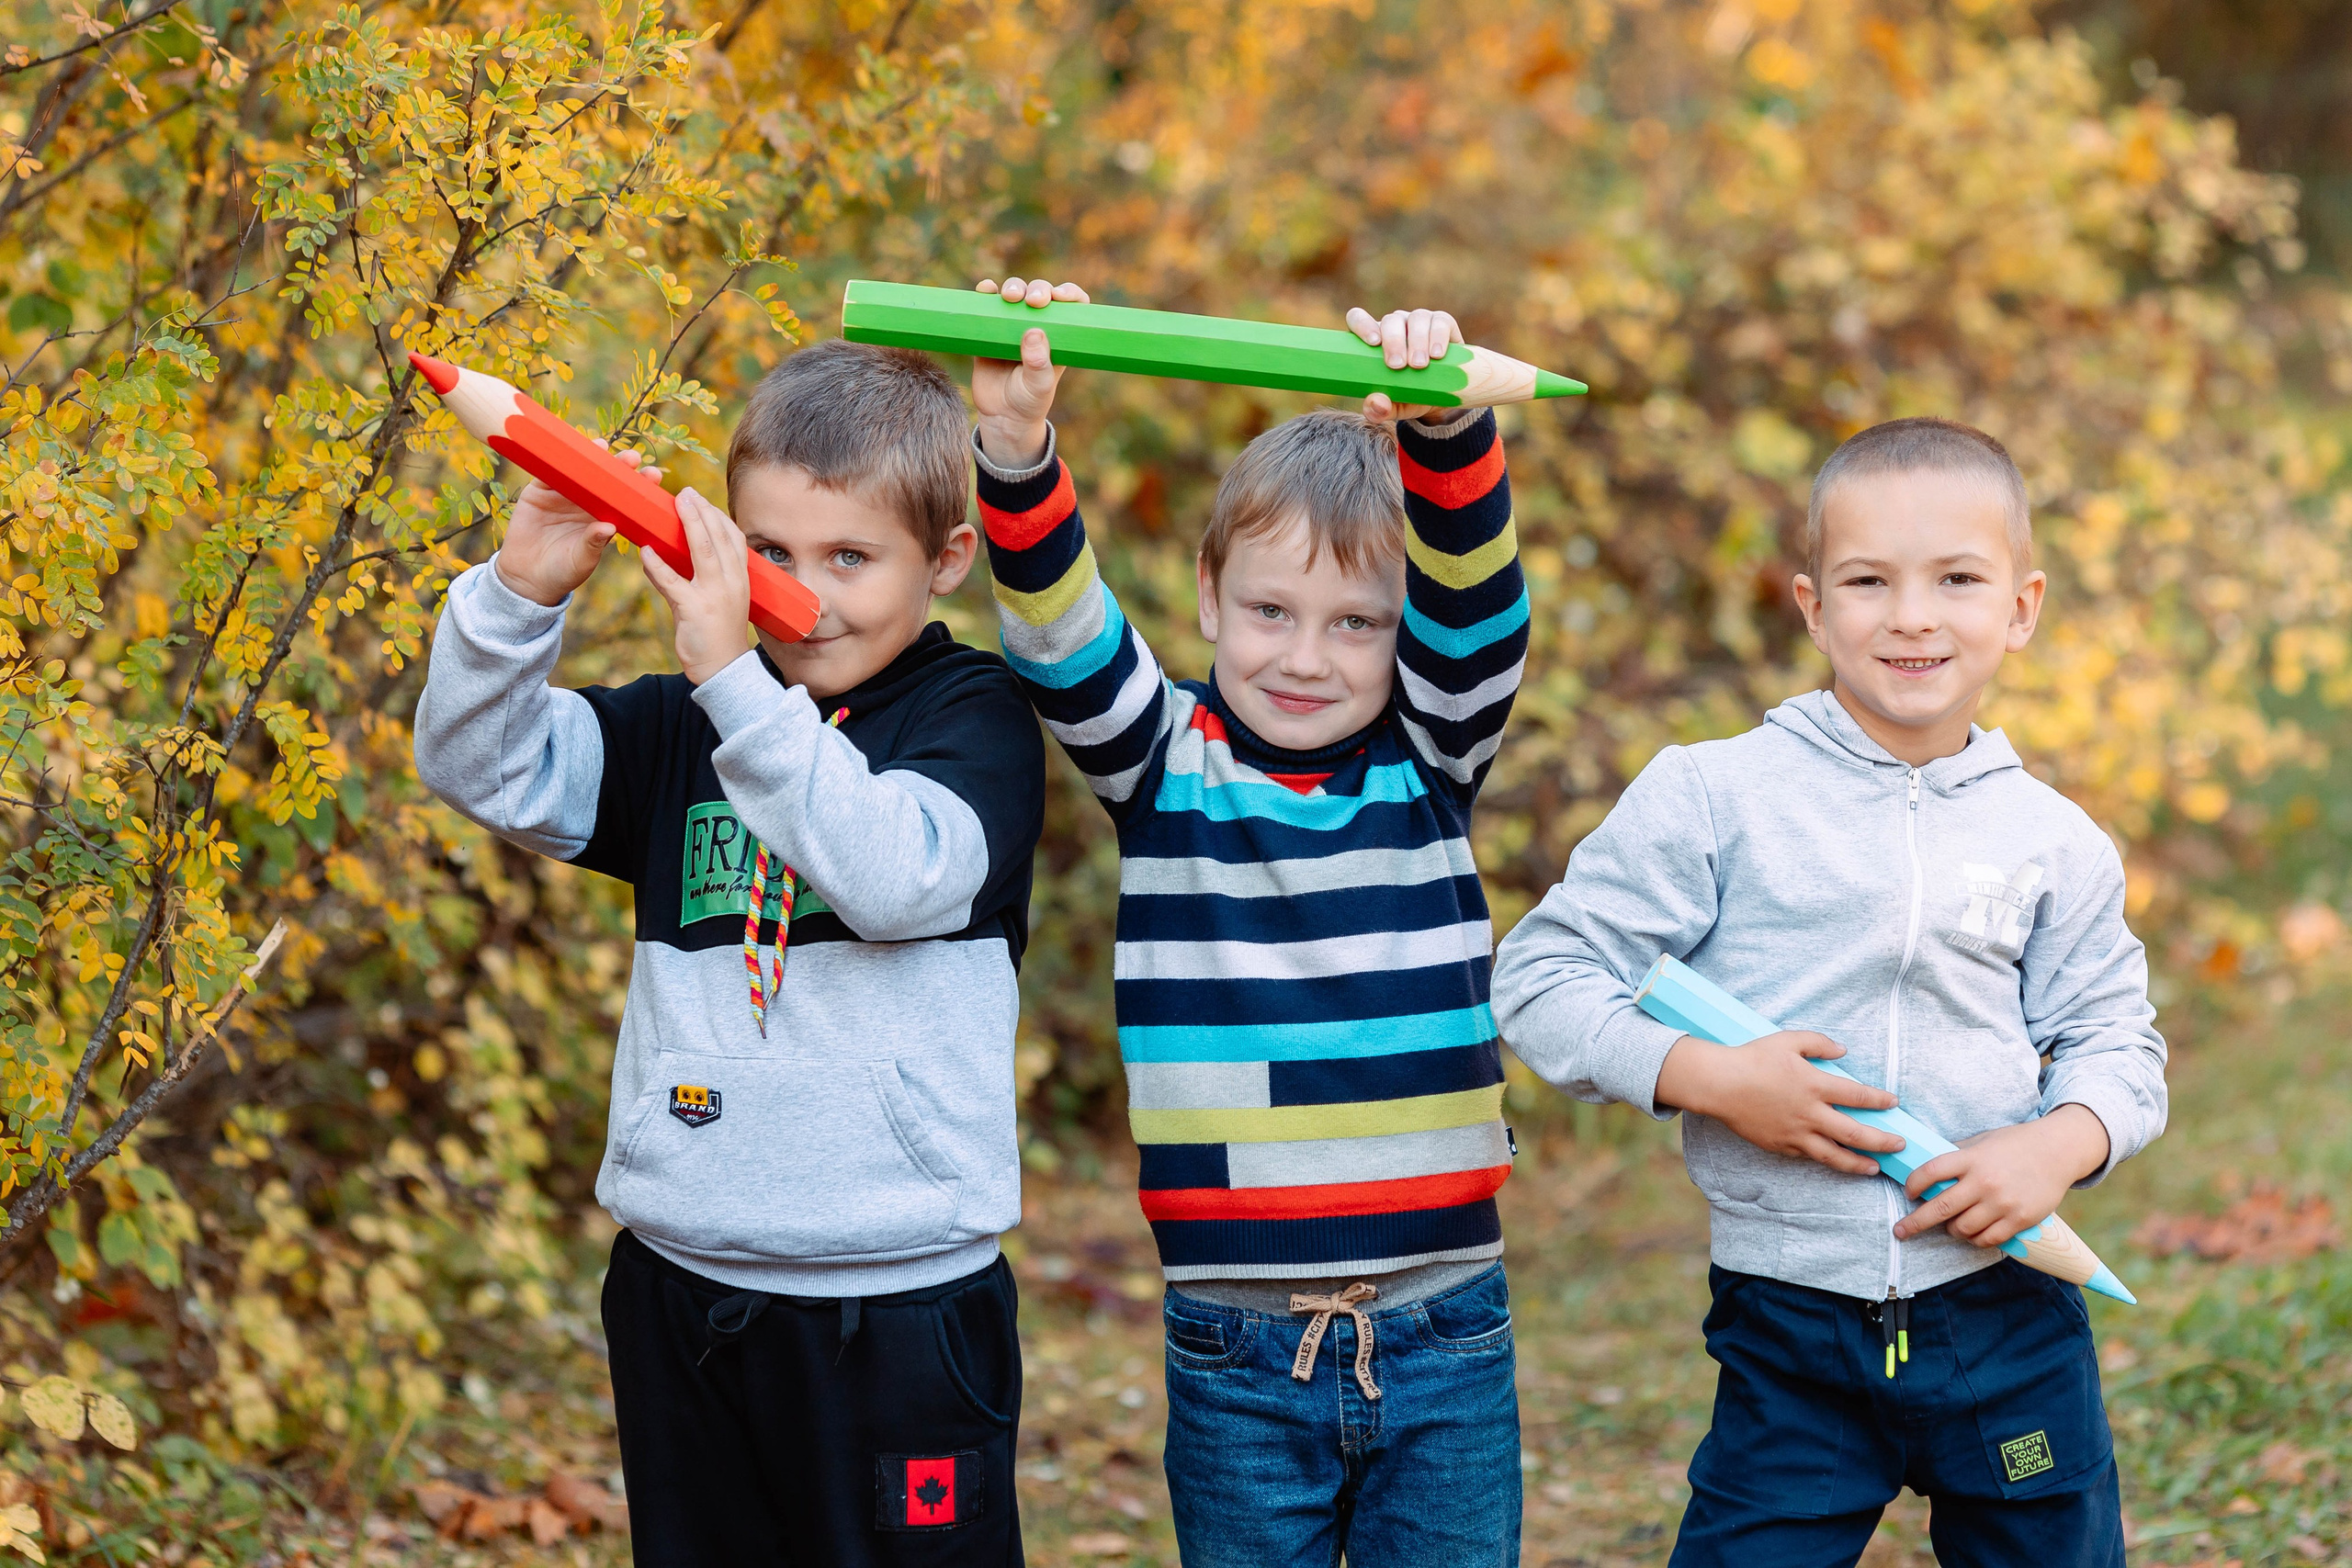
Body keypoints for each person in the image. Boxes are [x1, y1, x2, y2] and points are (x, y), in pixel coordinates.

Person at [1491, 417, 2166, 1568]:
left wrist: (2058, 1146)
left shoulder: (2054, 840)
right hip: (1787, 1321)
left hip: (2003, 1306)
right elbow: (1540, 977)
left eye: (1956, 579)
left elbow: (2114, 1037)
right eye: (1868, 581)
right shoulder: (1712, 796)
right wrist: (1705, 1078)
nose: (1911, 615)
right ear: (1811, 605)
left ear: (2020, 607)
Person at [413, 340, 1045, 1567]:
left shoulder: (975, 718)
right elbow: (481, 764)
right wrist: (521, 587)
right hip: (682, 1289)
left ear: (946, 561)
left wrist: (738, 685)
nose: (800, 596)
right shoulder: (679, 720)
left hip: (901, 1301)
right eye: (768, 553)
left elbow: (899, 873)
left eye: (850, 558)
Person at [969, 276, 1529, 1566]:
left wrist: (1445, 430)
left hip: (1443, 1325)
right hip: (1230, 1339)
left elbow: (1482, 622)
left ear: (1404, 639)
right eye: (1272, 611)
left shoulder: (1432, 765)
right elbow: (1056, 628)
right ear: (1211, 598)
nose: (1306, 655)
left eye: (1356, 624)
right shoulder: (1168, 766)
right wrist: (1015, 446)